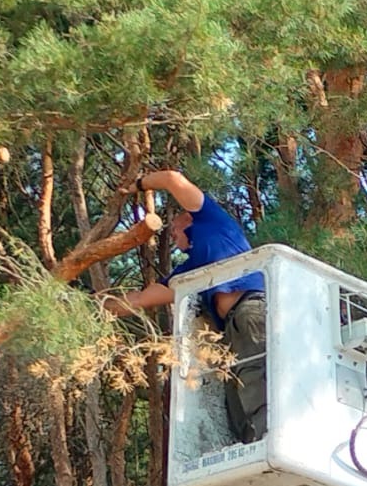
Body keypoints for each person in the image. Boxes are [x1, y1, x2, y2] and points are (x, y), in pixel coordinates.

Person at [102, 170, 268, 444]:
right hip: (230, 332)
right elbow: (143, 299)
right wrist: (96, 304)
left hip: (250, 311)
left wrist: (137, 185)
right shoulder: (193, 272)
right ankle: (251, 449)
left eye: (175, 230)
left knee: (255, 379)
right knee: (236, 396)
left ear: (187, 219)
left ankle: (268, 439)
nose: (174, 239)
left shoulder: (212, 221)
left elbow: (172, 179)